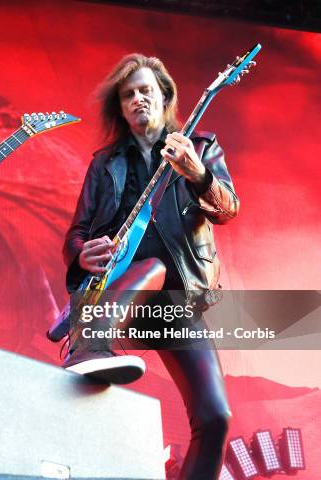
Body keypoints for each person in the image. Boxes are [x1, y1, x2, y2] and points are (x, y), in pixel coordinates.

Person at [60, 54, 239, 479]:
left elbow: (228, 209)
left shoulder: (201, 146)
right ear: (120, 108)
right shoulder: (105, 163)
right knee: (151, 265)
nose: (138, 99)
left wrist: (199, 175)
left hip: (178, 306)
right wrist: (82, 252)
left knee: (216, 417)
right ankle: (89, 343)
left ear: (165, 98)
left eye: (146, 91)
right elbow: (75, 235)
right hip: (118, 298)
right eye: (128, 94)